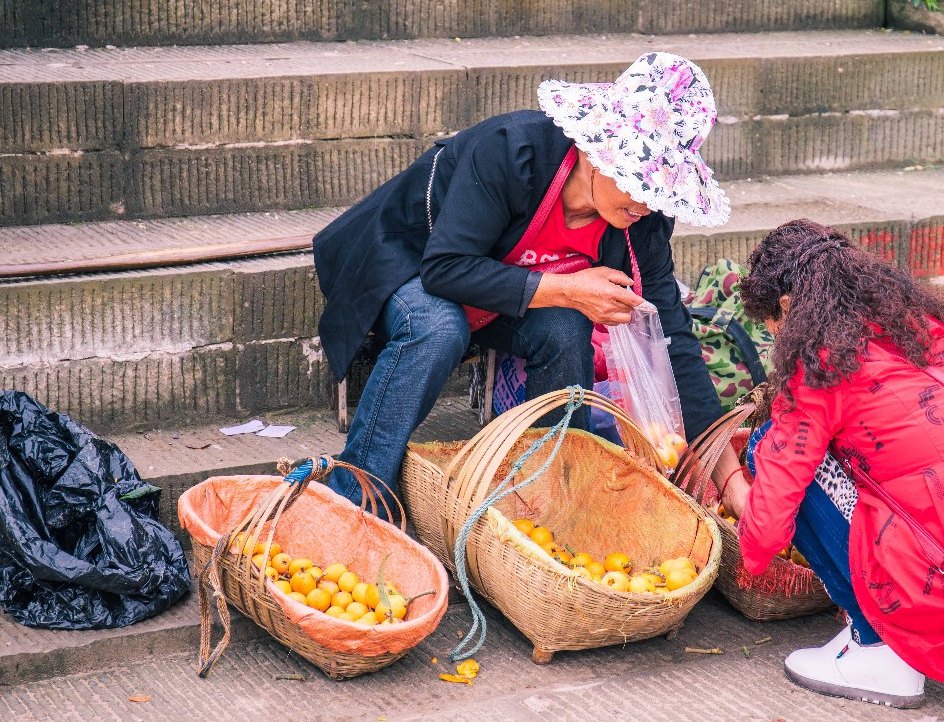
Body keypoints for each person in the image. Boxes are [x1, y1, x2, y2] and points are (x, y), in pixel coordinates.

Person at [312, 51, 740, 508]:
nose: (647, 204)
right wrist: (569, 289)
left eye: (659, 190)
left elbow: (673, 336)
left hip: (500, 294)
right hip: (409, 260)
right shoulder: (512, 151)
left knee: (565, 327)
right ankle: (353, 493)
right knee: (439, 327)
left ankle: (548, 493)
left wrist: (730, 479)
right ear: (598, 153)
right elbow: (445, 267)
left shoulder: (643, 221)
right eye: (640, 182)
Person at [734, 219, 944, 709]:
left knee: (767, 443)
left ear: (789, 308)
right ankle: (926, 631)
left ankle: (879, 645)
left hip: (930, 574)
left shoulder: (823, 362)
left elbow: (771, 516)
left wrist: (746, 553)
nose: (775, 339)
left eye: (772, 326)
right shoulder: (933, 325)